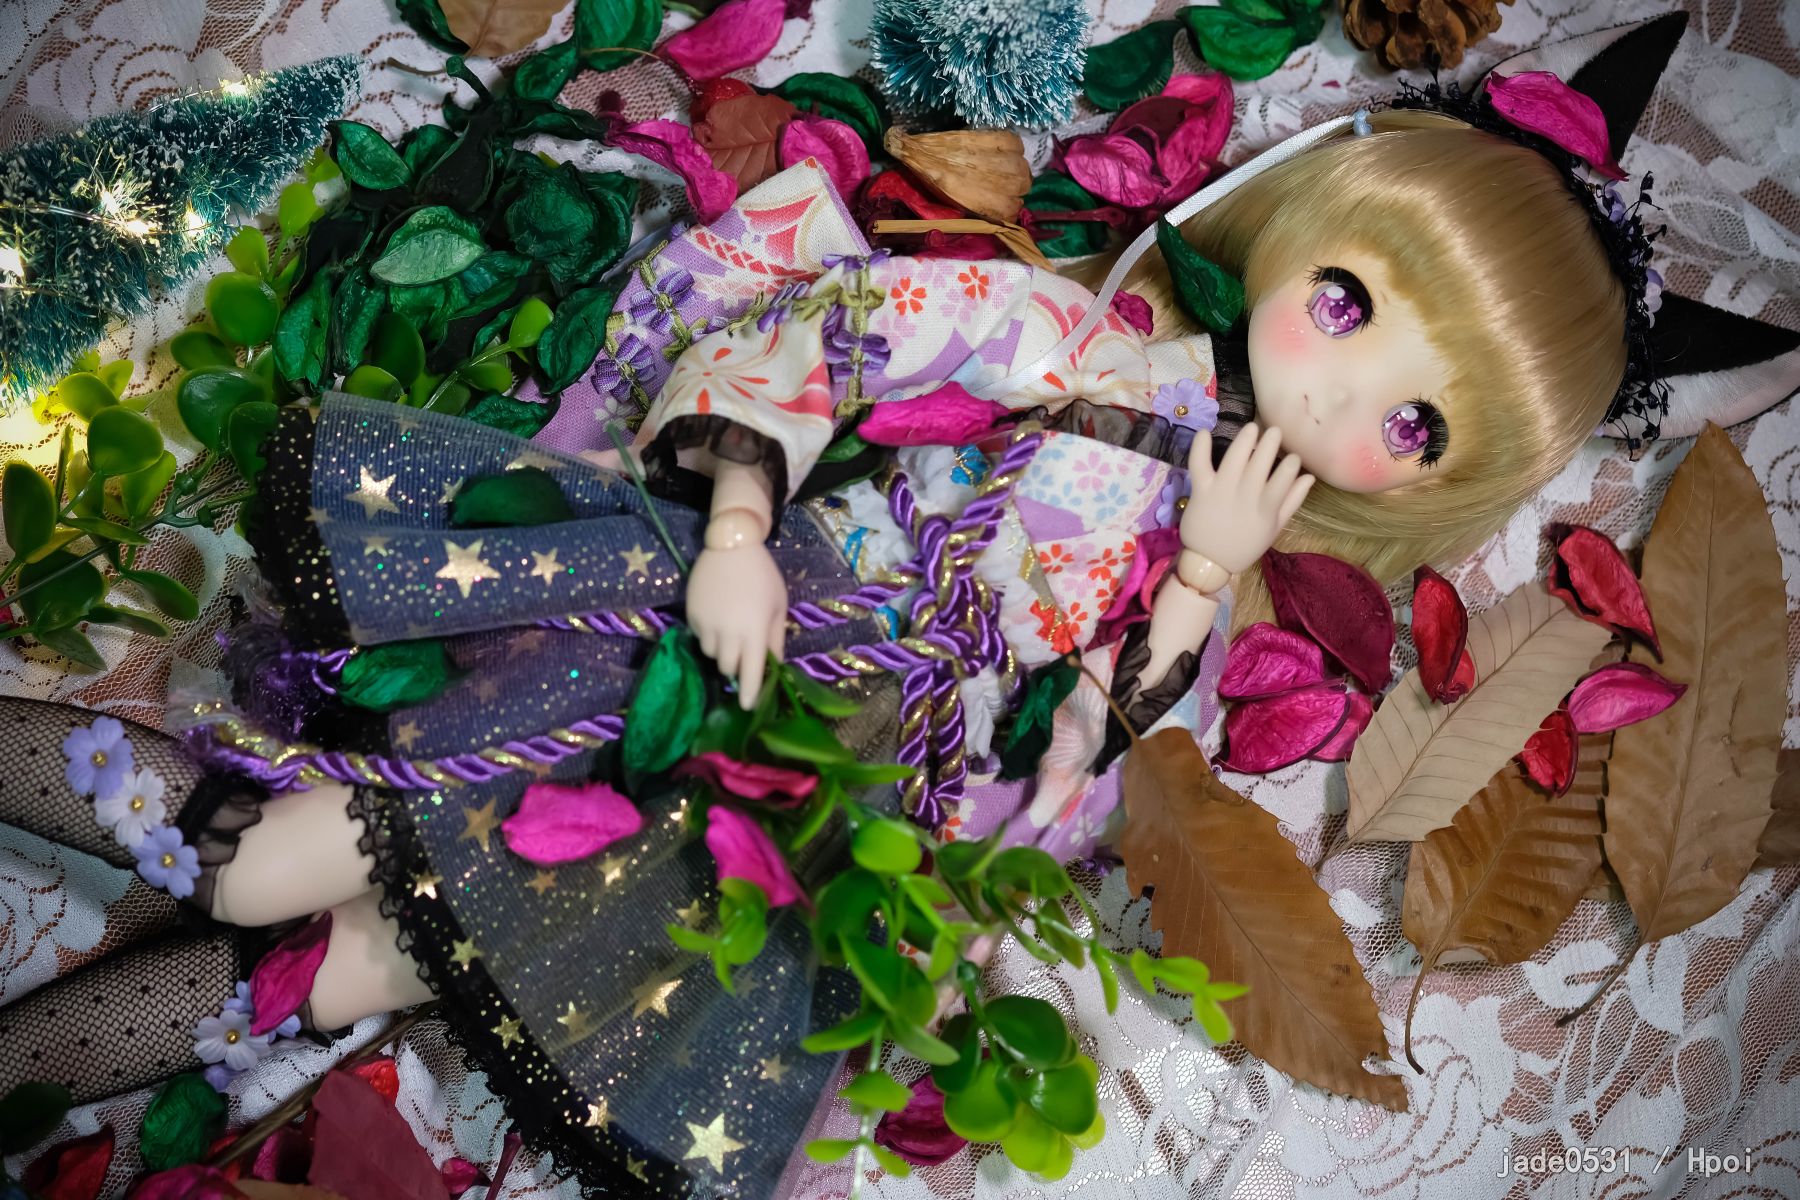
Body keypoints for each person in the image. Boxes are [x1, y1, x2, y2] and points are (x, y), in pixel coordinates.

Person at [4, 12, 1794, 1198]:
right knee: (277, 858)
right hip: (719, 643)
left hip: (827, 802)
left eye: (1415, 426)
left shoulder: (1225, 544)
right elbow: (840, 335)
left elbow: (1075, 753)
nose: (1343, 393)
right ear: (1315, 214)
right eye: (1351, 303)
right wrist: (735, 520)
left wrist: (1200, 577)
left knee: (356, 970)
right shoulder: (1061, 335)